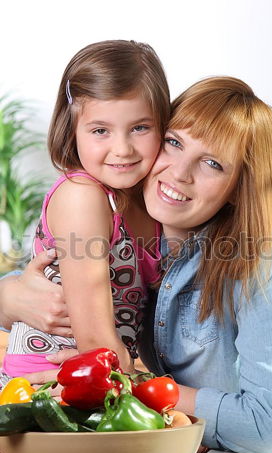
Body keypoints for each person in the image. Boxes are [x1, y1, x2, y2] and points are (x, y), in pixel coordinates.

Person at [6, 75, 272, 453]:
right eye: (174, 142)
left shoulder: (264, 255)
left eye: (212, 164)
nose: (178, 173)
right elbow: (45, 275)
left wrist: (121, 384)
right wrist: (8, 297)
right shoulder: (139, 224)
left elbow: (267, 428)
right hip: (184, 444)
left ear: (241, 187)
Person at [0, 39, 170, 385]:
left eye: (140, 127)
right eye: (100, 131)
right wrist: (142, 383)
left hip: (105, 374)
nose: (122, 149)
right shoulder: (82, 196)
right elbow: (95, 339)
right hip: (48, 380)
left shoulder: (156, 198)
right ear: (72, 130)